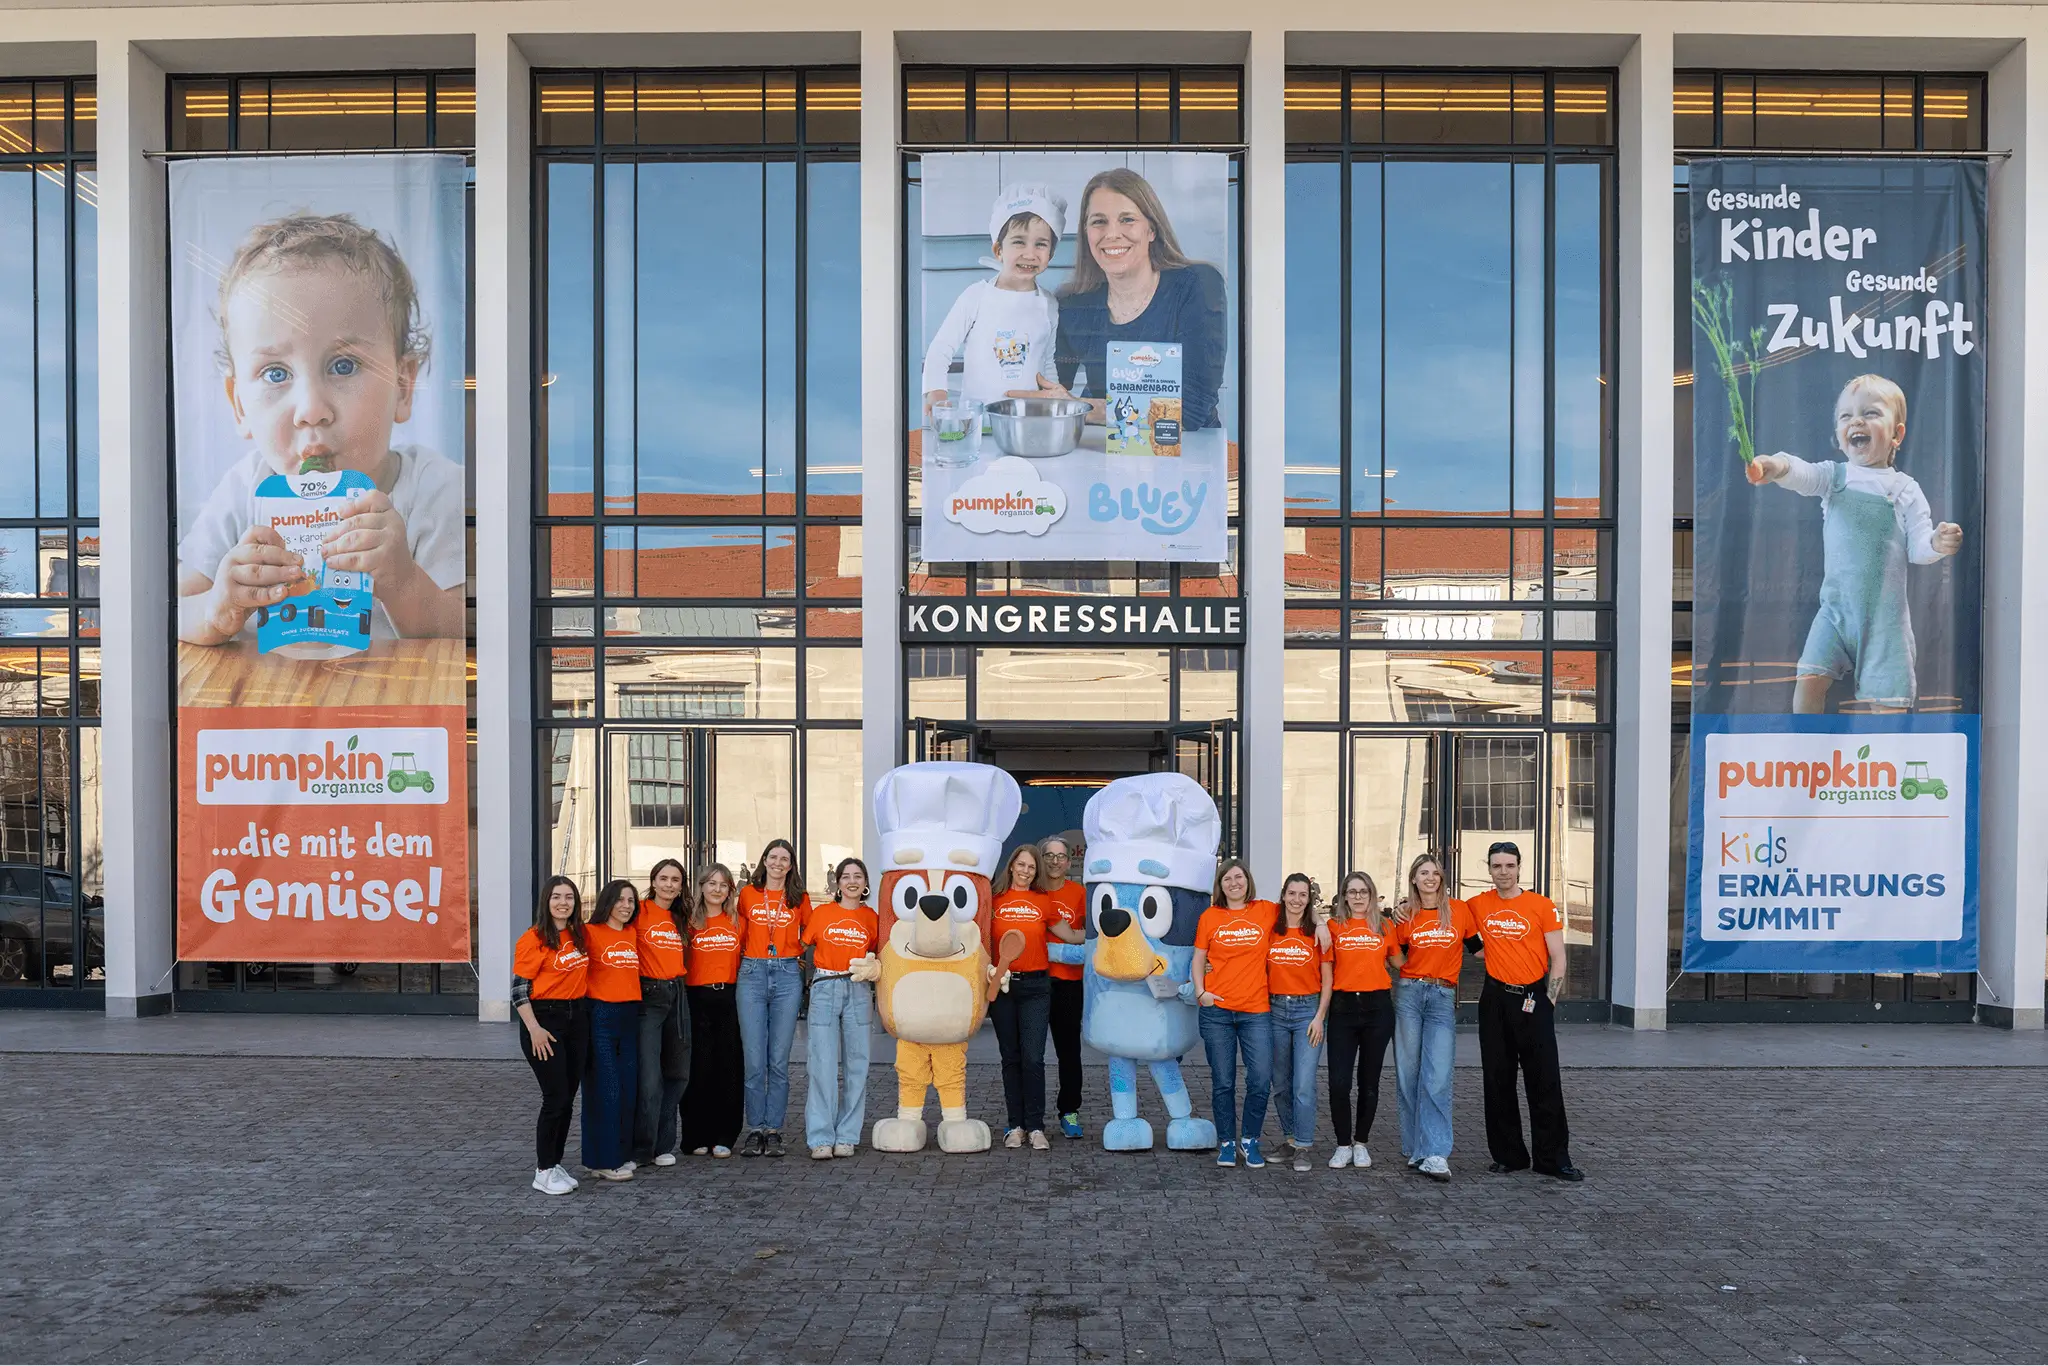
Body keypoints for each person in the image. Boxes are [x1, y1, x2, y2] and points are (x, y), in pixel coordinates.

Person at [177, 213, 466, 646]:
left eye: (343, 366)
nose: (311, 410)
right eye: (276, 374)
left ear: (403, 387)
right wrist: (217, 606)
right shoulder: (244, 491)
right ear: (239, 404)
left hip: (396, 711)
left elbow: (464, 631)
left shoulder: (434, 489)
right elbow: (169, 613)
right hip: (266, 710)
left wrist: (401, 581)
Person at [1748, 373, 1962, 712]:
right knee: (1809, 682)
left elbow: (1918, 547)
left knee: (1887, 706)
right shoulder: (1834, 478)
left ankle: (1884, 761)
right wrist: (1775, 465)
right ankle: (1809, 758)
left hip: (1885, 622)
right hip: (1835, 612)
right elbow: (1802, 473)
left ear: (1897, 434)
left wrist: (1937, 542)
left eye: (1871, 413)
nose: (1856, 421)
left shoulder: (1905, 489)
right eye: (1846, 416)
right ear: (1838, 433)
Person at [1013, 168, 1228, 434]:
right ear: (1087, 234)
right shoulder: (1073, 305)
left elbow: (1193, 409)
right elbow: (1048, 391)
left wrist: (1084, 409)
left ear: (1152, 230)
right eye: (1099, 221)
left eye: (1127, 219)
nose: (1112, 234)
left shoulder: (1196, 285)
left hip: (1191, 456)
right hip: (1106, 454)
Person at [1468, 841, 1583, 1182]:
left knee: (1544, 1080)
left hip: (1534, 998)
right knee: (1498, 1080)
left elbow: (1558, 957)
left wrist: (1549, 999)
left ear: (1519, 867)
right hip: (1495, 1000)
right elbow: (1464, 936)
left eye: (1509, 865)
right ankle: (1509, 1156)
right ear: (1488, 869)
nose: (1503, 872)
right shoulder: (1477, 904)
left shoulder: (1541, 905)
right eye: (1496, 866)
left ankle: (1552, 1159)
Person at [919, 184, 1066, 416]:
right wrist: (936, 391)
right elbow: (940, 349)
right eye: (1019, 241)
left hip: (1027, 421)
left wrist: (1057, 407)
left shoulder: (1049, 304)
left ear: (1051, 254)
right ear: (998, 250)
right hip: (978, 423)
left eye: (1041, 244)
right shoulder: (976, 297)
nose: (1030, 253)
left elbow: (1047, 363)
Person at [986, 843, 1082, 1150]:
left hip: (1037, 988)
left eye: (1031, 867)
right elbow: (978, 938)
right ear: (1012, 865)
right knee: (1010, 1058)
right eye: (1022, 864)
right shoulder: (994, 899)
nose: (1026, 870)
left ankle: (1036, 1126)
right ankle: (1016, 1126)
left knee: (1033, 1058)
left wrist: (1105, 937)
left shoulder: (1044, 900)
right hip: (1002, 988)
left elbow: (1070, 935)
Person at [1392, 853, 1472, 1183]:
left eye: (1435, 873)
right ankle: (1417, 1148)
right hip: (1410, 994)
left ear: (1442, 879)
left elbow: (1479, 947)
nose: (1430, 877)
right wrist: (1411, 974)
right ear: (1414, 878)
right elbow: (1395, 955)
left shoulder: (1460, 911)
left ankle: (1436, 1152)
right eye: (1423, 872)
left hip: (1442, 996)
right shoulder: (1405, 915)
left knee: (1437, 1074)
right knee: (1408, 1073)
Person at [1190, 858, 1274, 1169]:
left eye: (1239, 877)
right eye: (1227, 879)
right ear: (1220, 885)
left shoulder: (1266, 910)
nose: (1234, 883)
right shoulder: (1210, 916)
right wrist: (1201, 992)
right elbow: (1199, 957)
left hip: (1256, 1011)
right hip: (1217, 1012)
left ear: (1247, 881)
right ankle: (1226, 1143)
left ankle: (1250, 1140)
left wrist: (1320, 924)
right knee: (1223, 1081)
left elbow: (1299, 914)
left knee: (1261, 1080)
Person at [513, 875, 589, 1196]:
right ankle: (543, 1170)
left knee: (568, 1098)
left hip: (577, 1019)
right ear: (546, 901)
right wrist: (535, 1030)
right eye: (556, 896)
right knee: (554, 1097)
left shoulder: (579, 936)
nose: (563, 903)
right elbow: (518, 991)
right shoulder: (533, 939)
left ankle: (555, 1162)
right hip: (545, 1021)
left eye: (569, 897)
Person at [1324, 872, 1404, 1171]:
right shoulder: (1333, 927)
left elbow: (1399, 962)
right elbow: (1323, 967)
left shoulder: (1385, 926)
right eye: (1352, 892)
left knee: (1369, 1083)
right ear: (1344, 896)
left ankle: (1361, 1143)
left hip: (1377, 1009)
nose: (1358, 897)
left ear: (1372, 895)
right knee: (1338, 1082)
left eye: (1364, 891)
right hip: (1343, 1009)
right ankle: (1343, 1144)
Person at [802, 857, 880, 1160]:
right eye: (845, 876)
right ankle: (821, 1136)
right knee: (821, 1063)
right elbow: (803, 946)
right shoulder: (822, 914)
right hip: (825, 987)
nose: (851, 881)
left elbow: (881, 954)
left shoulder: (871, 918)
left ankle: (847, 1135)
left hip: (859, 989)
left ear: (865, 883)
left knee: (857, 1065)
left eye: (857, 876)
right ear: (837, 883)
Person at [736, 838, 810, 1158]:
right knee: (754, 1060)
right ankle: (755, 1128)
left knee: (778, 1061)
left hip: (786, 976)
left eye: (785, 858)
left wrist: (798, 954)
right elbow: (737, 932)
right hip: (751, 973)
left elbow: (812, 932)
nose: (778, 863)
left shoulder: (799, 898)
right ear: (764, 860)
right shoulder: (747, 894)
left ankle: (774, 1129)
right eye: (773, 857)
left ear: (791, 866)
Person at [677, 864, 745, 1158]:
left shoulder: (737, 921)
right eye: (711, 883)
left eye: (723, 885)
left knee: (728, 1068)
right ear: (701, 886)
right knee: (697, 1068)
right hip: (696, 998)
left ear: (730, 890)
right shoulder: (689, 923)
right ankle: (695, 1135)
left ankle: (724, 1135)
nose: (717, 889)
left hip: (729, 997)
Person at [1266, 873, 1332, 1173]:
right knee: (1280, 1083)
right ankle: (1291, 1139)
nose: (1296, 900)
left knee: (1303, 1084)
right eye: (1291, 894)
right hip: (1275, 1011)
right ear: (1283, 895)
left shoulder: (1319, 933)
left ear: (1310, 899)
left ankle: (1304, 1145)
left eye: (1302, 895)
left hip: (1307, 1012)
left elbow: (1328, 979)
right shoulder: (1270, 926)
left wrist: (1320, 1017)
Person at [580, 879, 642, 1181]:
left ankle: (615, 1154)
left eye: (631, 901)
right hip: (601, 1015)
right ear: (608, 902)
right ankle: (603, 1160)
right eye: (620, 900)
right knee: (606, 1089)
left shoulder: (632, 933)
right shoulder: (589, 933)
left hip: (630, 1014)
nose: (626, 906)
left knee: (628, 1088)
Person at [630, 857, 689, 1170]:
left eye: (675, 880)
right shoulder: (639, 911)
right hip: (649, 995)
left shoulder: (681, 916)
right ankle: (641, 1148)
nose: (669, 884)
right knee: (649, 1077)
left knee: (678, 1073)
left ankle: (664, 1144)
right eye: (663, 878)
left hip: (678, 994)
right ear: (653, 882)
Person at [1039, 835, 1089, 1139]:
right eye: (1049, 855)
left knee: (1069, 1052)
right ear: (1041, 858)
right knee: (1030, 1055)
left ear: (1069, 862)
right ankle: (1029, 1116)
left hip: (1069, 983)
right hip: (1034, 982)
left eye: (1061, 856)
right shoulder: (1032, 892)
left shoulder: (1079, 894)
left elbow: (1092, 934)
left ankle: (1069, 1110)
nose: (1055, 861)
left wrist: (1066, 946)